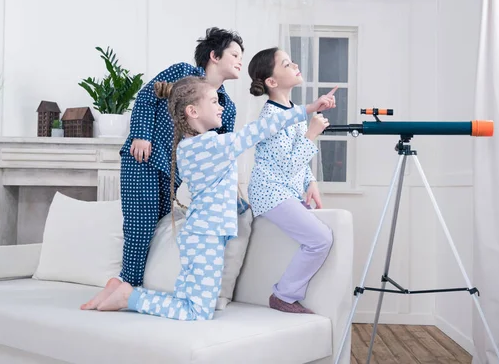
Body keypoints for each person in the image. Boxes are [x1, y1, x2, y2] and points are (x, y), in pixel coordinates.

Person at [91, 75, 335, 320]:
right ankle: (128, 297)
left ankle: (125, 291)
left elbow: (218, 186)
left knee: (187, 301)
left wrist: (242, 207)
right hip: (206, 237)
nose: (221, 107)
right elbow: (258, 130)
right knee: (198, 311)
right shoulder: (210, 147)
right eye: (214, 101)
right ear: (193, 111)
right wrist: (307, 110)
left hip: (201, 234)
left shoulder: (192, 146)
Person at [81, 27, 244, 310]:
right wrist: (142, 135)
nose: (240, 61)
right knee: (140, 227)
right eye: (235, 54)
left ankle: (120, 286)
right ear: (214, 56)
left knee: (150, 229)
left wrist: (233, 194)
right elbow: (146, 98)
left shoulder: (226, 107)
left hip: (172, 176)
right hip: (142, 158)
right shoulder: (183, 73)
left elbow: (223, 152)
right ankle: (128, 289)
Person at [247, 47, 338, 314]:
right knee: (321, 239)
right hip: (270, 192)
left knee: (321, 234)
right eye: (286, 64)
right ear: (271, 82)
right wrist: (312, 132)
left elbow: (295, 160)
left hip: (286, 190)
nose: (295, 64)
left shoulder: (293, 110)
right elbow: (287, 166)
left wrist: (311, 182)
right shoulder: (270, 118)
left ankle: (288, 294)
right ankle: (284, 295)